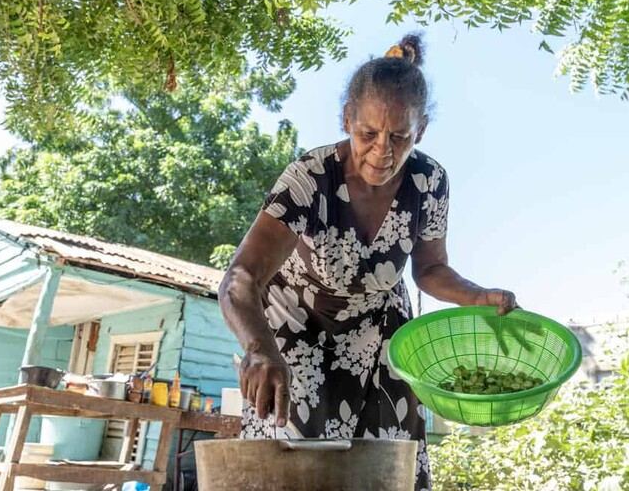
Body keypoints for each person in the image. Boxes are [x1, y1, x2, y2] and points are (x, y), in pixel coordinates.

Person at [218, 33, 518, 491]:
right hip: (296, 321)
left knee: (388, 456)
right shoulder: (309, 178)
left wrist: (479, 297)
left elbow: (430, 270)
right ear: (346, 120)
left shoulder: (429, 181)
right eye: (368, 134)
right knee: (296, 456)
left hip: (380, 324)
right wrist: (260, 350)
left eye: (400, 136)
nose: (383, 151)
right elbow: (241, 277)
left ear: (420, 130)